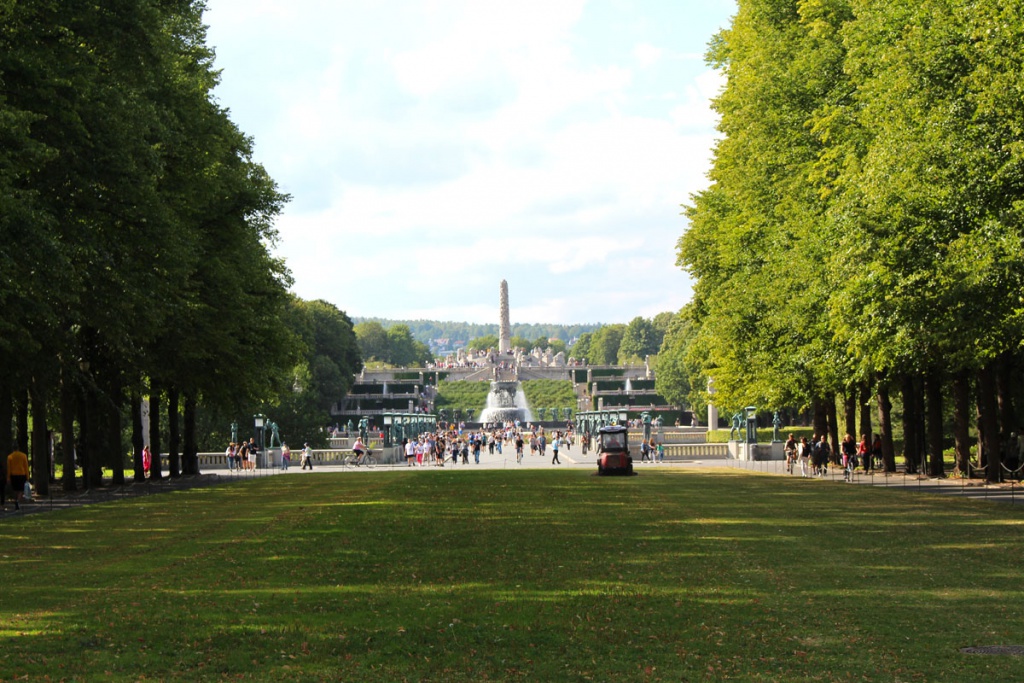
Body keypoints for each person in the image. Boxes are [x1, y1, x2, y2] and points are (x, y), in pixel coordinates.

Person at [7, 445, 30, 510]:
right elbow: (26, 466)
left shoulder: (10, 457)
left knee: (15, 489)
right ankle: (17, 501)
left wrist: (8, 477)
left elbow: (9, 468)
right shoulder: (23, 456)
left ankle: (15, 500)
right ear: (18, 448)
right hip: (22, 474)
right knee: (21, 490)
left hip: (13, 475)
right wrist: (27, 477)